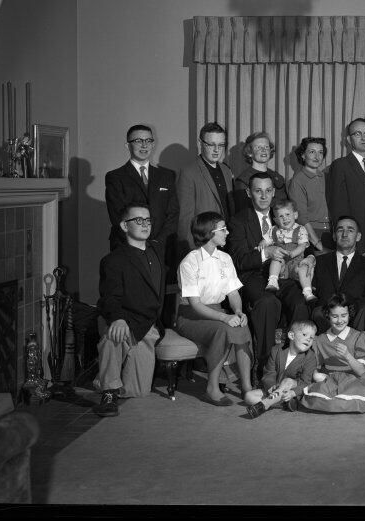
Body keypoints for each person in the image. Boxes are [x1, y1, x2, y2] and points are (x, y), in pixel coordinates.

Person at [225, 171, 309, 380]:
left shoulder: (283, 214)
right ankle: (265, 367)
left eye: (268, 191)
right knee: (267, 303)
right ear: (248, 193)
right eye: (258, 191)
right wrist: (265, 253)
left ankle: (293, 364)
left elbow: (301, 242)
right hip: (254, 276)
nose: (264, 196)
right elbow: (239, 260)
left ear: (273, 193)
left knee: (299, 302)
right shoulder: (238, 221)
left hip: (285, 274)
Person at [93, 203, 165, 417]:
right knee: (112, 336)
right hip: (127, 321)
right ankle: (108, 392)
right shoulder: (113, 260)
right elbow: (109, 297)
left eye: (148, 220)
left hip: (149, 326)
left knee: (138, 392)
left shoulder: (157, 252)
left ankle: (103, 378)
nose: (145, 224)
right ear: (125, 226)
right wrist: (118, 318)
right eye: (138, 220)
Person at [177, 211, 254, 406]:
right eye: (223, 229)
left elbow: (233, 293)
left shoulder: (225, 258)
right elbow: (195, 304)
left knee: (241, 325)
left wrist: (238, 311)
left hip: (217, 311)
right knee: (222, 329)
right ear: (208, 233)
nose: (227, 232)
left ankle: (247, 388)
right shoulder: (190, 262)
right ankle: (212, 388)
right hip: (191, 316)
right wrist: (224, 318)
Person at [104, 125, 179, 270]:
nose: (144, 145)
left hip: (162, 249)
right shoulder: (115, 177)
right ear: (128, 146)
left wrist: (158, 243)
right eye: (138, 141)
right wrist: (140, 244)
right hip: (128, 249)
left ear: (153, 144)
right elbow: (118, 216)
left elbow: (173, 214)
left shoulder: (167, 176)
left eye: (148, 140)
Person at [301, 294, 365, 413]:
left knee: (358, 393)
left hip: (355, 378)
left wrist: (347, 355)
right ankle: (340, 402)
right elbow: (316, 367)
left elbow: (361, 371)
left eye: (343, 315)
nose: (340, 320)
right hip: (330, 380)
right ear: (328, 316)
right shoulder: (320, 340)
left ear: (349, 314)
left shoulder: (358, 337)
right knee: (316, 396)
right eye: (335, 316)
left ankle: (352, 402)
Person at [301, 216, 365, 342]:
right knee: (318, 312)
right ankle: (327, 352)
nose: (345, 234)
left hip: (357, 314)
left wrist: (346, 311)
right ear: (334, 236)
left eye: (350, 230)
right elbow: (312, 294)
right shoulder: (319, 262)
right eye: (340, 230)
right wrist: (334, 310)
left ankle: (362, 353)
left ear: (358, 236)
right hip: (327, 316)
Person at [326, 118, 365, 252]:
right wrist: (346, 234)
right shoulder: (340, 165)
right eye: (358, 134)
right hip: (356, 235)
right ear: (349, 139)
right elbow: (336, 205)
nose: (363, 138)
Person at [177, 122, 236, 251]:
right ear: (200, 143)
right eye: (211, 145)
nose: (216, 150)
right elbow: (185, 219)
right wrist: (192, 251)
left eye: (221, 145)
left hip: (226, 243)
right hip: (203, 245)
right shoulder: (189, 172)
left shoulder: (226, 170)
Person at [244, 318, 318, 418]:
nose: (308, 339)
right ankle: (285, 404)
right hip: (275, 389)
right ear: (291, 335)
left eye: (311, 337)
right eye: (305, 335)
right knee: (248, 396)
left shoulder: (310, 356)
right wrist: (271, 386)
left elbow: (306, 382)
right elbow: (269, 373)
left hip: (294, 391)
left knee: (287, 381)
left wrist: (293, 393)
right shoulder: (277, 350)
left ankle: (265, 404)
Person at [259, 198, 315, 295]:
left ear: (295, 215)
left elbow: (302, 246)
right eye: (281, 216)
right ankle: (273, 281)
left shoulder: (300, 229)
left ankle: (307, 290)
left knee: (303, 268)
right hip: (282, 266)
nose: (285, 218)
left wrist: (293, 253)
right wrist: (262, 244)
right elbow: (266, 240)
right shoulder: (274, 230)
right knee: (276, 260)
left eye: (288, 214)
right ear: (276, 220)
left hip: (296, 262)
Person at [287, 136, 331, 251]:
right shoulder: (298, 181)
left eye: (320, 152)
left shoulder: (326, 177)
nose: (317, 156)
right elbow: (301, 217)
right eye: (312, 152)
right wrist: (317, 243)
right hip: (312, 233)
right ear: (303, 155)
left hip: (331, 232)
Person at [232, 132, 287, 211]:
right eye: (258, 147)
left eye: (266, 147)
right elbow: (243, 210)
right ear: (250, 153)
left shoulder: (277, 177)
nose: (263, 150)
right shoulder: (243, 180)